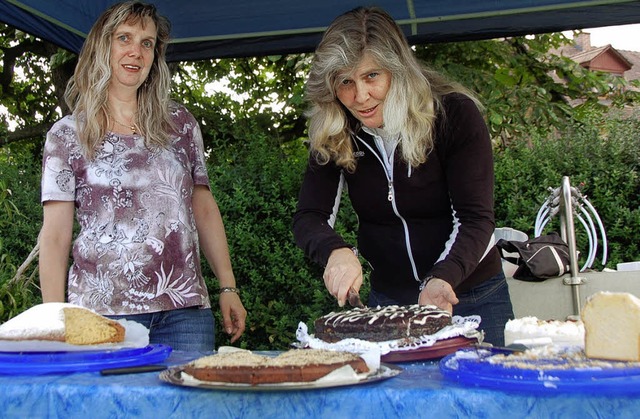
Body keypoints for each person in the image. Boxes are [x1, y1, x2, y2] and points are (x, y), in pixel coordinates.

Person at [292, 6, 514, 346]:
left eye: (371, 76)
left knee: (487, 396)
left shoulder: (453, 113)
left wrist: (443, 278)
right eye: (345, 81)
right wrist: (335, 252)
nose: (360, 96)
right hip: (389, 301)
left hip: (468, 292)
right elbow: (310, 216)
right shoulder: (335, 128)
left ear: (398, 71)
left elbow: (475, 218)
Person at [38, 1, 246, 351]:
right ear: (103, 46)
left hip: (185, 311)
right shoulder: (67, 135)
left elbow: (204, 209)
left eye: (147, 43)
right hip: (103, 313)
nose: (136, 52)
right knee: (115, 408)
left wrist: (228, 286)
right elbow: (55, 235)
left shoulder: (180, 124)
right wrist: (53, 317)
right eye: (124, 38)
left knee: (190, 405)